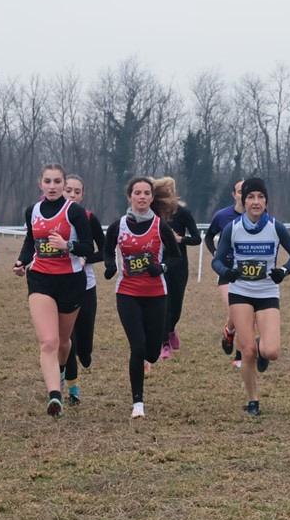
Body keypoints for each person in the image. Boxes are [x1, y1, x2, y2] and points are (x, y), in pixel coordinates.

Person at [12, 163, 95, 417]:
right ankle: (54, 395)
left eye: (57, 182)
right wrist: (22, 261)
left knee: (63, 341)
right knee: (48, 341)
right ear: (40, 183)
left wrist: (67, 245)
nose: (52, 186)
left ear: (63, 184)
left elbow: (87, 248)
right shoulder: (32, 211)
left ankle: (60, 371)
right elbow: (31, 240)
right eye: (47, 181)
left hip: (70, 281)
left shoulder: (75, 212)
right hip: (41, 279)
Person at [211, 177, 290, 417]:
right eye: (251, 197)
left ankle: (261, 347)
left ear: (266, 201)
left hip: (268, 292)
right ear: (243, 200)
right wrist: (227, 272)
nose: (256, 202)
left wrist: (283, 270)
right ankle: (253, 400)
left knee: (271, 352)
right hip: (241, 292)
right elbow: (216, 260)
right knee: (246, 351)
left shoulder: (276, 227)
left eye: (260, 197)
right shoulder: (233, 228)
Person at [103, 176, 178, 419]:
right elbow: (107, 248)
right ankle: (138, 404)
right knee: (137, 346)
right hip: (127, 292)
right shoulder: (119, 226)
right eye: (138, 192)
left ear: (152, 198)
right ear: (130, 197)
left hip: (157, 293)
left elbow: (176, 257)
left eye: (146, 193)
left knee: (152, 352)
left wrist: (162, 267)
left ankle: (150, 356)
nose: (142, 197)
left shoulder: (160, 226)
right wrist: (109, 266)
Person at [61, 175, 105, 405]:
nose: (72, 194)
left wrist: (86, 257)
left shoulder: (89, 218)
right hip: (61, 284)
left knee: (84, 344)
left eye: (77, 191)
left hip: (86, 285)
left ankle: (85, 356)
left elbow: (104, 250)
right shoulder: (51, 218)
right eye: (68, 190)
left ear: (82, 195)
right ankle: (73, 389)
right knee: (67, 339)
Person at [152, 176, 201, 360]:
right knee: (164, 304)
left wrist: (180, 239)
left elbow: (197, 238)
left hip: (179, 263)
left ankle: (171, 329)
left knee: (176, 306)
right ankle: (164, 343)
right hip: (158, 263)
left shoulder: (182, 213)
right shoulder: (151, 212)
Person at [205, 179, 245, 368]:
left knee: (247, 312)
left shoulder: (260, 216)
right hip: (227, 272)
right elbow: (208, 236)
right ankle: (229, 331)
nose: (244, 195)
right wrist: (215, 253)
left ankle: (240, 355)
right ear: (234, 194)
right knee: (235, 310)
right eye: (240, 191)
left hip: (250, 272)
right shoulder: (222, 216)